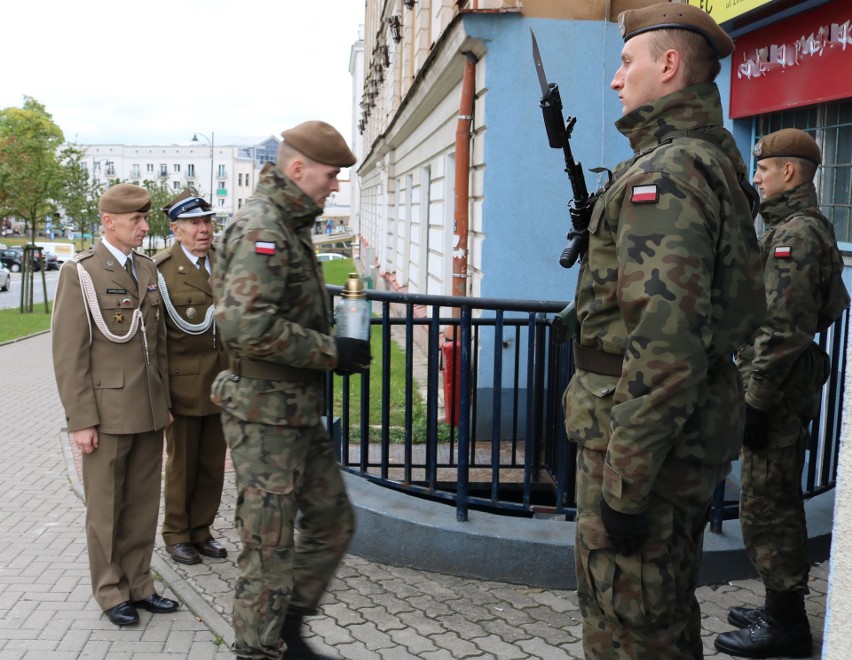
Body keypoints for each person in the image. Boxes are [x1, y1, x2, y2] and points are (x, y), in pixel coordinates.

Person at [561, 4, 767, 658]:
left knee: (631, 626)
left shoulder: (668, 173)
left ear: (669, 66)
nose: (616, 80)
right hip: (672, 440)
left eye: (627, 63)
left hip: (645, 451)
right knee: (664, 613)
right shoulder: (703, 160)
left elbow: (665, 347)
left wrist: (625, 483)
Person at [211, 120, 370, 659]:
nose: (335, 185)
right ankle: (258, 649)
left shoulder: (291, 223)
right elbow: (245, 328)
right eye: (331, 175)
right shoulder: (264, 228)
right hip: (263, 415)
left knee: (333, 521)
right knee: (268, 545)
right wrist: (331, 352)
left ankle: (290, 627)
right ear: (298, 169)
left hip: (296, 410)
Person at [714, 130, 850, 657]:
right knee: (768, 499)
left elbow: (782, 329)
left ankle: (787, 622)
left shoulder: (796, 236)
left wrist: (756, 399)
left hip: (776, 391)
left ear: (789, 172)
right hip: (778, 387)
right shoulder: (788, 230)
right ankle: (777, 606)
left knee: (771, 506)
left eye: (763, 170)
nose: (756, 178)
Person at [51, 183, 179, 626]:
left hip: (146, 408)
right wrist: (81, 420)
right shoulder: (82, 273)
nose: (145, 228)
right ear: (109, 222)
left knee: (143, 504)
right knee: (105, 509)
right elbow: (70, 354)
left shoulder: (146, 269)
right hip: (106, 415)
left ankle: (140, 584)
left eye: (145, 220)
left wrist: (162, 403)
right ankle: (110, 592)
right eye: (136, 221)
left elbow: (157, 345)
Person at [154, 190, 229, 566]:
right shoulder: (160, 269)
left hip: (222, 383)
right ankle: (176, 533)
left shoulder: (223, 261)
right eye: (195, 223)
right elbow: (156, 339)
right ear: (176, 229)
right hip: (182, 386)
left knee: (213, 464)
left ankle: (202, 530)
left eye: (207, 221)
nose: (204, 229)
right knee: (182, 464)